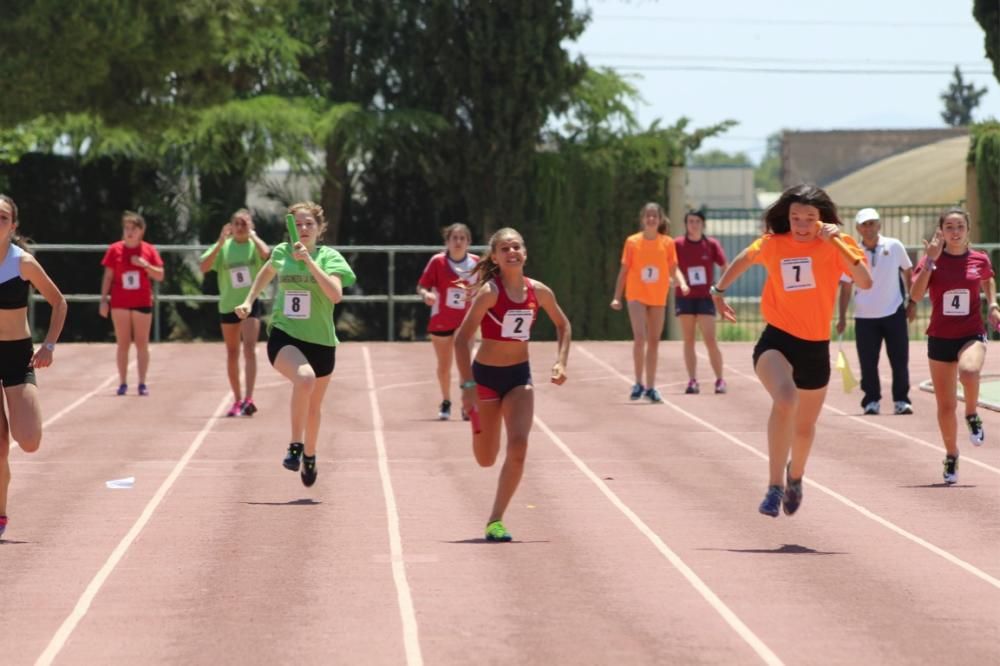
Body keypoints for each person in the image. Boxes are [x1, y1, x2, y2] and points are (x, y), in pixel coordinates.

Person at [711, 184, 871, 517]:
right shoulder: (773, 244)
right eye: (794, 217)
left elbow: (865, 280)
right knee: (785, 400)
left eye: (809, 219)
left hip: (815, 347)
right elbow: (746, 258)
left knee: (803, 428)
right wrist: (719, 289)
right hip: (777, 340)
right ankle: (773, 486)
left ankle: (795, 476)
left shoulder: (838, 245)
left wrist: (836, 241)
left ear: (822, 220)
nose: (800, 225)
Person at [455, 227, 571, 542]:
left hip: (519, 377)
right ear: (495, 256)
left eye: (516, 246)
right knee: (486, 458)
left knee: (518, 447)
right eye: (504, 248)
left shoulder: (540, 292)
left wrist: (561, 360)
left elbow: (563, 325)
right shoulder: (490, 293)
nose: (512, 252)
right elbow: (462, 339)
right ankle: (478, 423)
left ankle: (496, 520)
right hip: (485, 379)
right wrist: (467, 387)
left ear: (525, 252)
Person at [235, 202, 356, 487]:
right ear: (291, 228)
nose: (303, 229)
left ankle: (310, 455)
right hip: (285, 334)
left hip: (322, 341)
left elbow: (336, 294)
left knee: (314, 408)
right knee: (304, 379)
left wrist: (309, 262)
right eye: (298, 225)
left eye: (309, 224)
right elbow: (265, 274)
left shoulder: (331, 257)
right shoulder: (281, 252)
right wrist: (248, 300)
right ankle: (295, 445)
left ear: (319, 228)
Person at [908, 207, 998, 485]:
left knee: (969, 373)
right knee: (946, 407)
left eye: (959, 227)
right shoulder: (931, 260)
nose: (955, 232)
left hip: (971, 332)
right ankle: (951, 454)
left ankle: (972, 412)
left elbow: (987, 278)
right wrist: (932, 261)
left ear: (968, 230)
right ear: (941, 232)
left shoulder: (979, 259)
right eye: (949, 227)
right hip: (939, 337)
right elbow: (916, 294)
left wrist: (993, 304)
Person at [0, 195, 68, 539]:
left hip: (16, 354)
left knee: (28, 440)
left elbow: (59, 303)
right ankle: (0, 513)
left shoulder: (22, 263)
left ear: (13, 226)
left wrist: (50, 345)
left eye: (2, 218)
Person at [836, 207, 915, 416]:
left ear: (879, 225)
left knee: (899, 359)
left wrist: (912, 301)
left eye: (872, 223)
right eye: (864, 224)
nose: (868, 228)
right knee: (868, 362)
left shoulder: (894, 246)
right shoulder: (852, 252)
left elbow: (908, 272)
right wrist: (842, 316)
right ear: (858, 228)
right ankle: (871, 400)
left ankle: (901, 400)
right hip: (864, 317)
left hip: (894, 312)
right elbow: (845, 287)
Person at [610, 202, 689, 403]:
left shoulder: (667, 243)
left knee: (654, 341)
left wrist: (682, 283)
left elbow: (673, 267)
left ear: (660, 219)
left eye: (655, 216)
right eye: (648, 216)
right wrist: (617, 296)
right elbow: (624, 270)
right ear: (643, 219)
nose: (651, 219)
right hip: (636, 293)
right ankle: (638, 382)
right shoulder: (632, 242)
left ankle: (651, 386)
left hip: (657, 295)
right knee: (640, 337)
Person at [200, 209, 271, 417]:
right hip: (228, 306)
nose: (240, 228)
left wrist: (254, 236)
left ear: (250, 226)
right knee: (232, 352)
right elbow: (204, 266)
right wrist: (220, 243)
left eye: (244, 224)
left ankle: (249, 398)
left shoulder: (253, 245)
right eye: (237, 224)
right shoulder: (224, 246)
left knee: (249, 348)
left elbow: (267, 254)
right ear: (230, 226)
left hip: (250, 304)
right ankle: (237, 399)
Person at [416, 223, 479, 420]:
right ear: (447, 241)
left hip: (466, 321)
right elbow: (421, 286)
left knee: (465, 364)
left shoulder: (477, 263)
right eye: (454, 238)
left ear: (468, 242)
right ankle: (446, 401)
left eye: (462, 238)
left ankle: (466, 403)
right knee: (444, 365)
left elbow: (486, 288)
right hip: (441, 320)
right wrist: (426, 295)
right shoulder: (438, 262)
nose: (458, 242)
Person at [99, 211, 165, 396]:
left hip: (142, 301)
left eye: (133, 229)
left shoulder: (149, 250)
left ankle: (142, 383)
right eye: (126, 228)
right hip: (120, 302)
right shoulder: (115, 250)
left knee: (142, 343)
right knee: (123, 344)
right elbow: (108, 276)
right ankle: (122, 382)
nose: (129, 232)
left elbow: (160, 275)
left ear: (141, 231)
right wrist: (103, 300)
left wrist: (145, 265)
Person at [674, 210, 729, 395]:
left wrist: (719, 290)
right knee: (688, 339)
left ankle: (720, 379)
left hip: (706, 297)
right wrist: (678, 281)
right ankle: (692, 380)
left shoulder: (711, 244)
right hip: (685, 297)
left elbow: (724, 266)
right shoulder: (678, 244)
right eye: (690, 221)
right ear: (686, 224)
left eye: (697, 221)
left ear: (703, 224)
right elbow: (671, 266)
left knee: (710, 339)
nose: (694, 224)